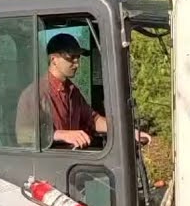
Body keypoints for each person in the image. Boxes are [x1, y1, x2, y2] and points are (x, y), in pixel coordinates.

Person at [15, 33, 149, 148]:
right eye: (71, 57)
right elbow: (23, 135)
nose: (77, 63)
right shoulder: (35, 93)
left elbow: (93, 119)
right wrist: (59, 134)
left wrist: (127, 131)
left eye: (78, 58)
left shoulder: (72, 91)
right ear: (54, 59)